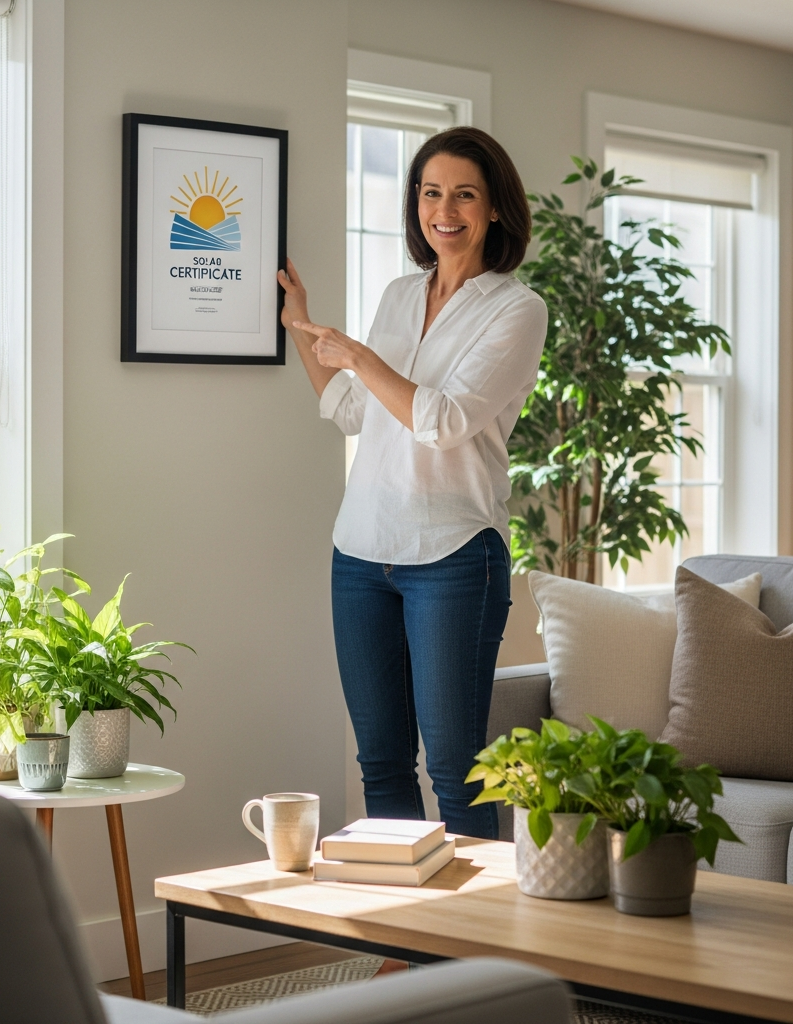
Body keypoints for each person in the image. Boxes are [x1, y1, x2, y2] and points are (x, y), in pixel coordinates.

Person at [278, 127, 547, 839]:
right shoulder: (400, 294)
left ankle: (477, 915)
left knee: (457, 769)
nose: (444, 210)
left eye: (464, 194)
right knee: (383, 765)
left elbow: (445, 420)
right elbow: (352, 410)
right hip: (360, 552)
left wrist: (361, 358)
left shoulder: (517, 308)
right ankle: (403, 912)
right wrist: (300, 324)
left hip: (454, 555)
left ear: (495, 207)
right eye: (431, 193)